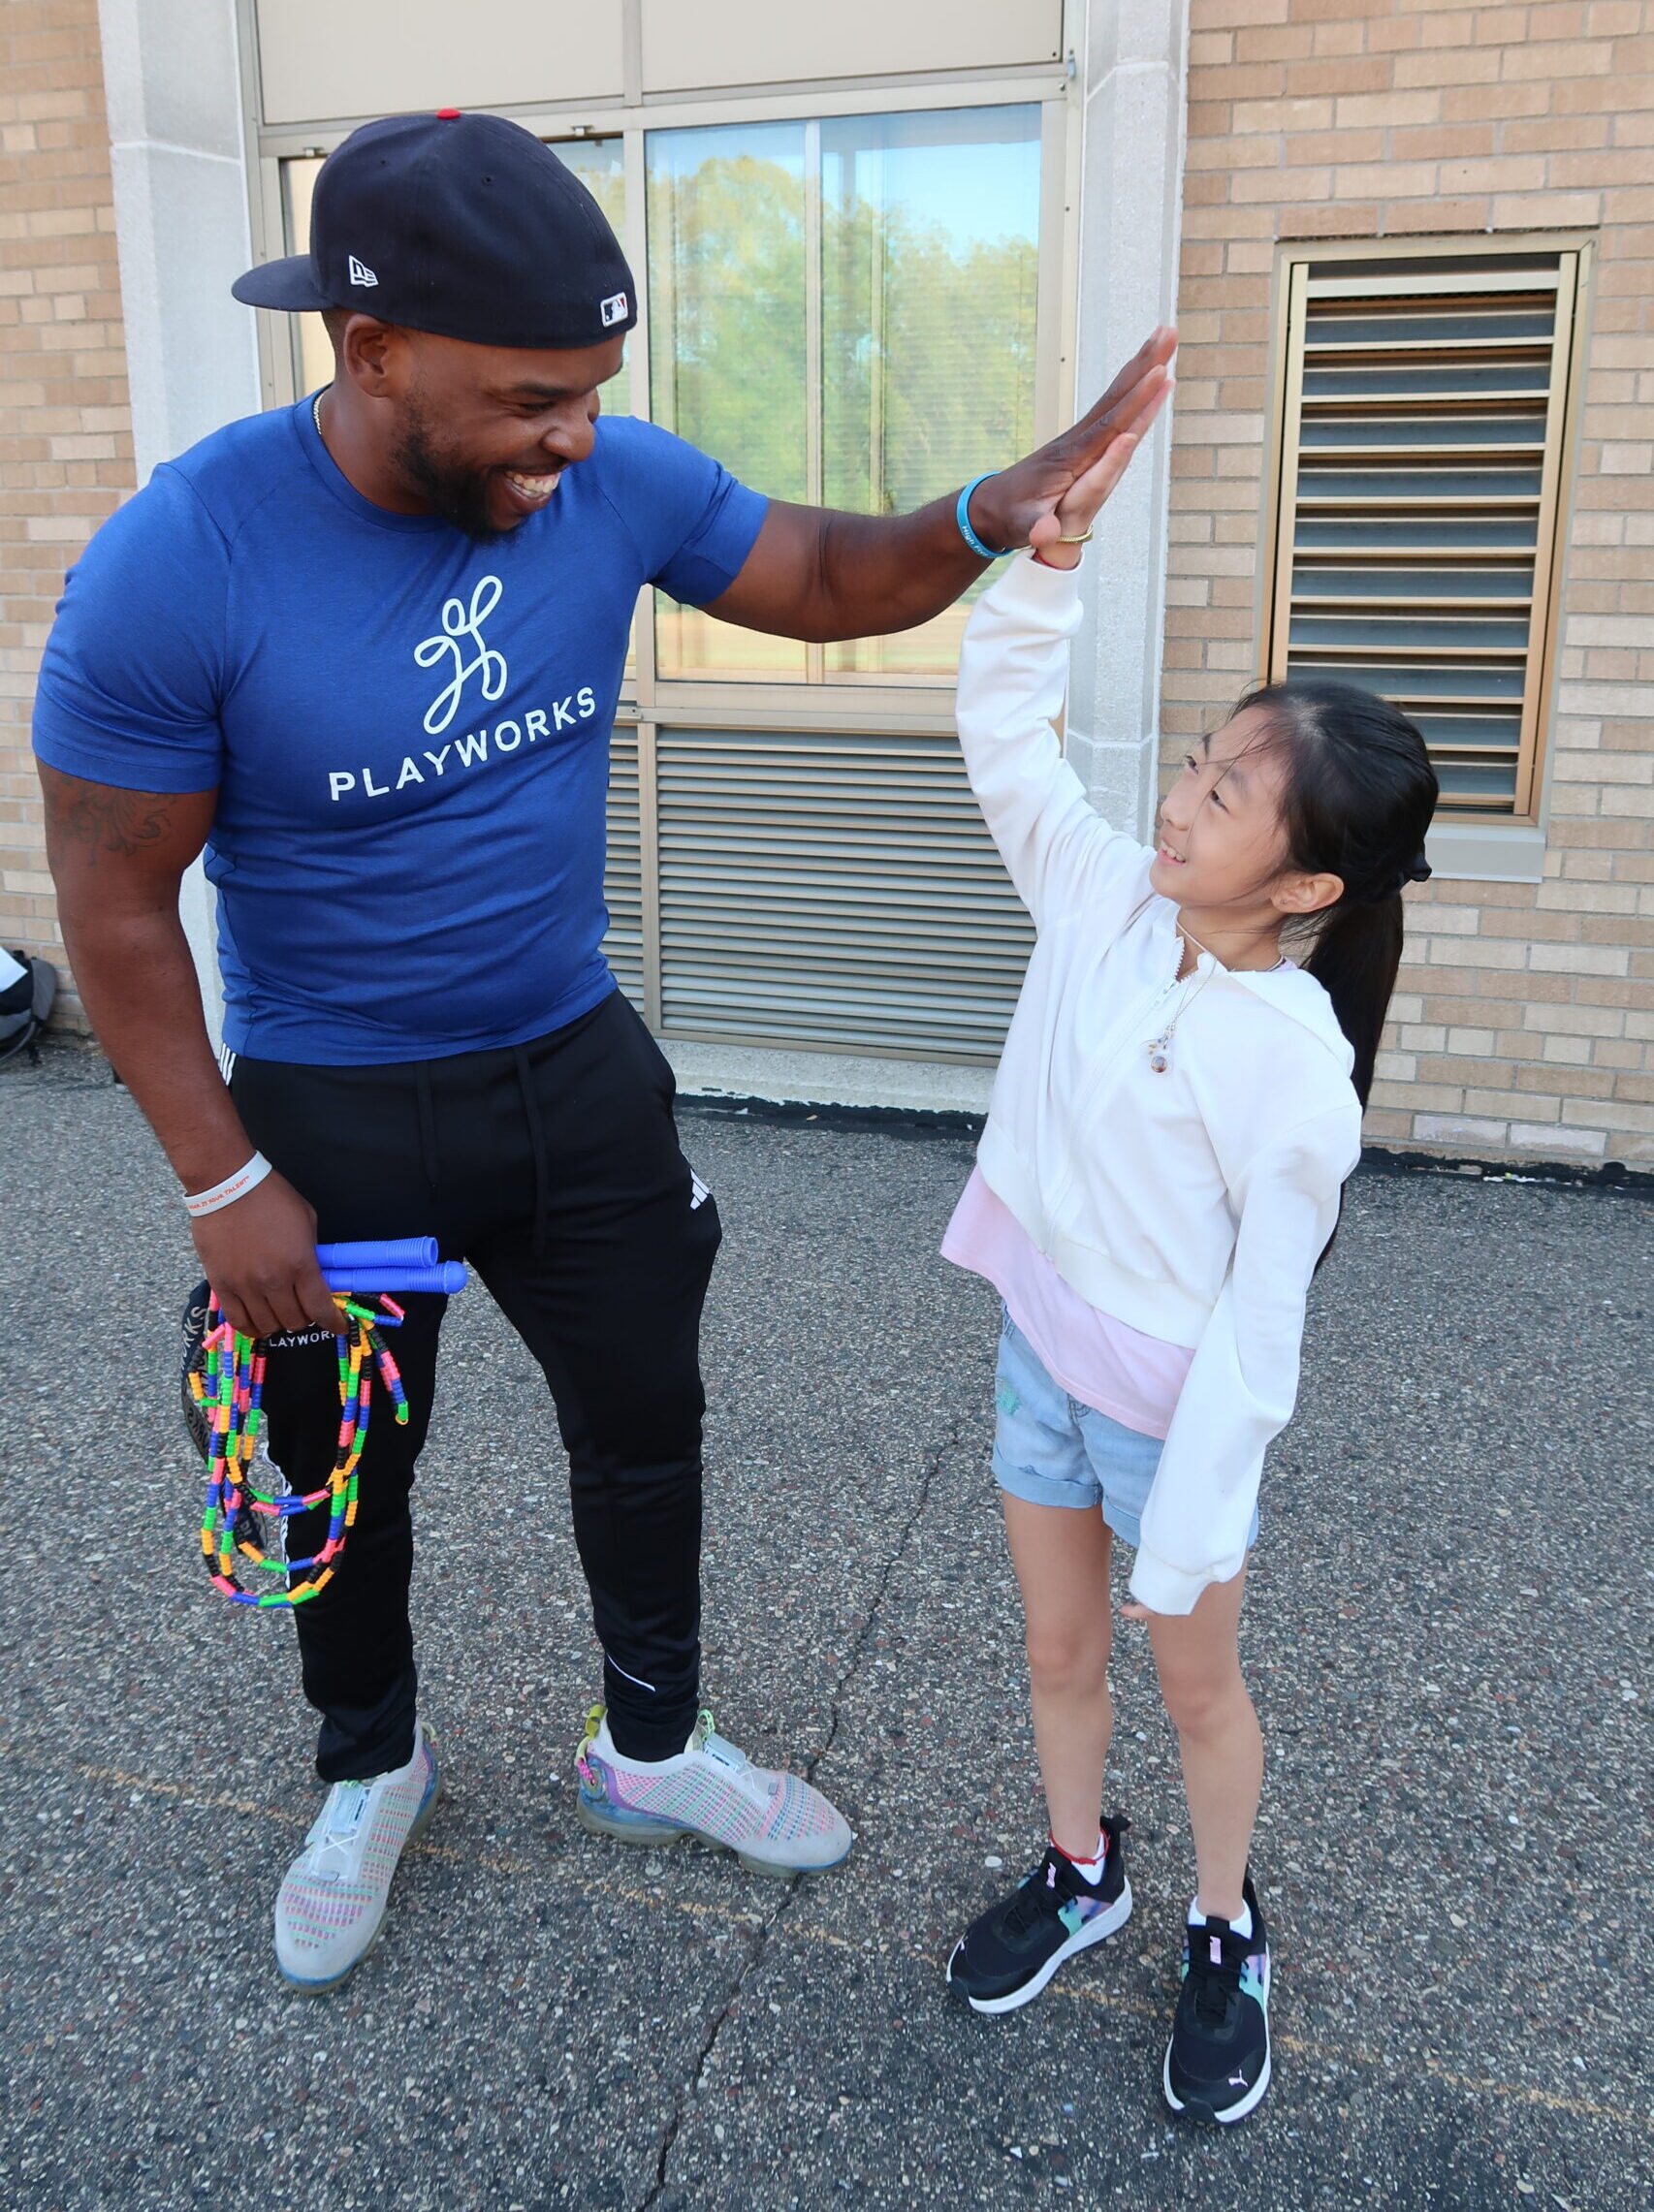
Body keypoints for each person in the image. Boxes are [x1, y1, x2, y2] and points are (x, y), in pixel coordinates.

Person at [31, 108, 1175, 1994]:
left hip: (573, 1080)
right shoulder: (182, 561)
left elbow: (816, 575)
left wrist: (989, 510)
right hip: (335, 1125)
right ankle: (368, 1764)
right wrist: (224, 1177)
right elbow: (116, 900)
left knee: (645, 1430)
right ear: (371, 349)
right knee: (343, 1475)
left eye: (593, 395)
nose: (573, 439)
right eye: (529, 400)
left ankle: (649, 1746)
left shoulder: (610, 481)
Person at [937, 420, 1437, 2122]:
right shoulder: (1097, 897)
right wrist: (1047, 561)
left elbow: (1263, 1323)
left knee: (1192, 1679)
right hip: (1038, 1358)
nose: (1176, 793)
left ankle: (1225, 1924)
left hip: (1171, 1416)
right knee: (1055, 1652)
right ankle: (1084, 1868)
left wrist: (1202, 1509)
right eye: (1196, 761)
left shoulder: (1292, 1062)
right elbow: (1001, 736)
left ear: (1301, 881)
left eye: (1222, 792)